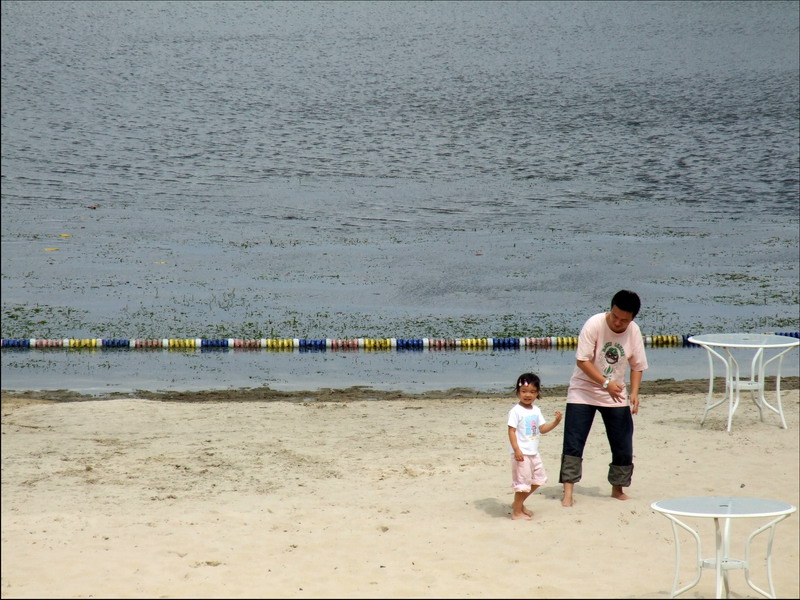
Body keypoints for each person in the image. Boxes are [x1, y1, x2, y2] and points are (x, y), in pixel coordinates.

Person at [559, 289, 648, 508]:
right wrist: (605, 383)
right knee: (574, 442)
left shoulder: (633, 331)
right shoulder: (594, 324)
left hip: (615, 392)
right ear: (610, 309)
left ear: (632, 319)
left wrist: (635, 392)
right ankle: (568, 492)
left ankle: (618, 489)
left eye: (624, 320)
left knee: (622, 443)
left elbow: (637, 366)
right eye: (615, 317)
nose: (618, 323)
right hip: (584, 388)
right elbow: (582, 360)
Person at [507, 372, 562, 520]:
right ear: (518, 392)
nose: (527, 395)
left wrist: (555, 422)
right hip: (521, 454)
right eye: (524, 391)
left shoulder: (536, 410)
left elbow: (542, 429)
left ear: (537, 393)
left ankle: (518, 503)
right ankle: (517, 512)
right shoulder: (515, 411)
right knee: (522, 483)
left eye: (532, 392)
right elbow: (511, 431)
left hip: (533, 453)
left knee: (538, 480)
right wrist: (517, 449)